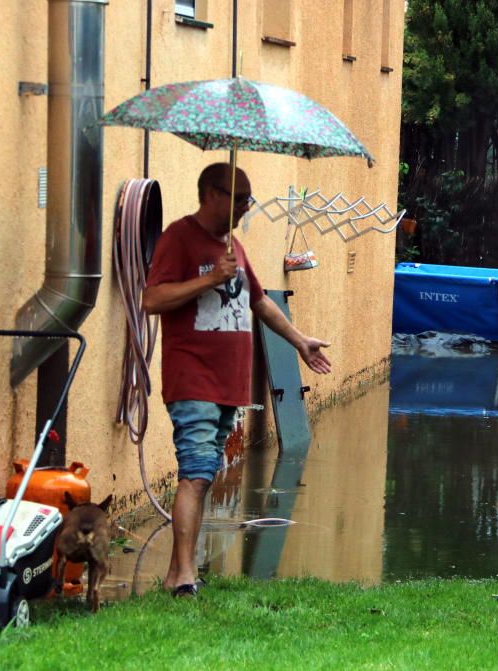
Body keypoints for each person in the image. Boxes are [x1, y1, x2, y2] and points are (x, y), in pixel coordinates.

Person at [143, 163, 331, 596]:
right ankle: (185, 577)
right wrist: (208, 278)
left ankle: (178, 572)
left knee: (205, 473)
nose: (246, 206)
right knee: (195, 470)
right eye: (239, 197)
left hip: (230, 384)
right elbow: (152, 298)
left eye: (248, 198)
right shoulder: (178, 237)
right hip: (193, 378)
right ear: (211, 194)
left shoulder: (236, 248)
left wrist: (300, 341)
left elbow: (260, 303)